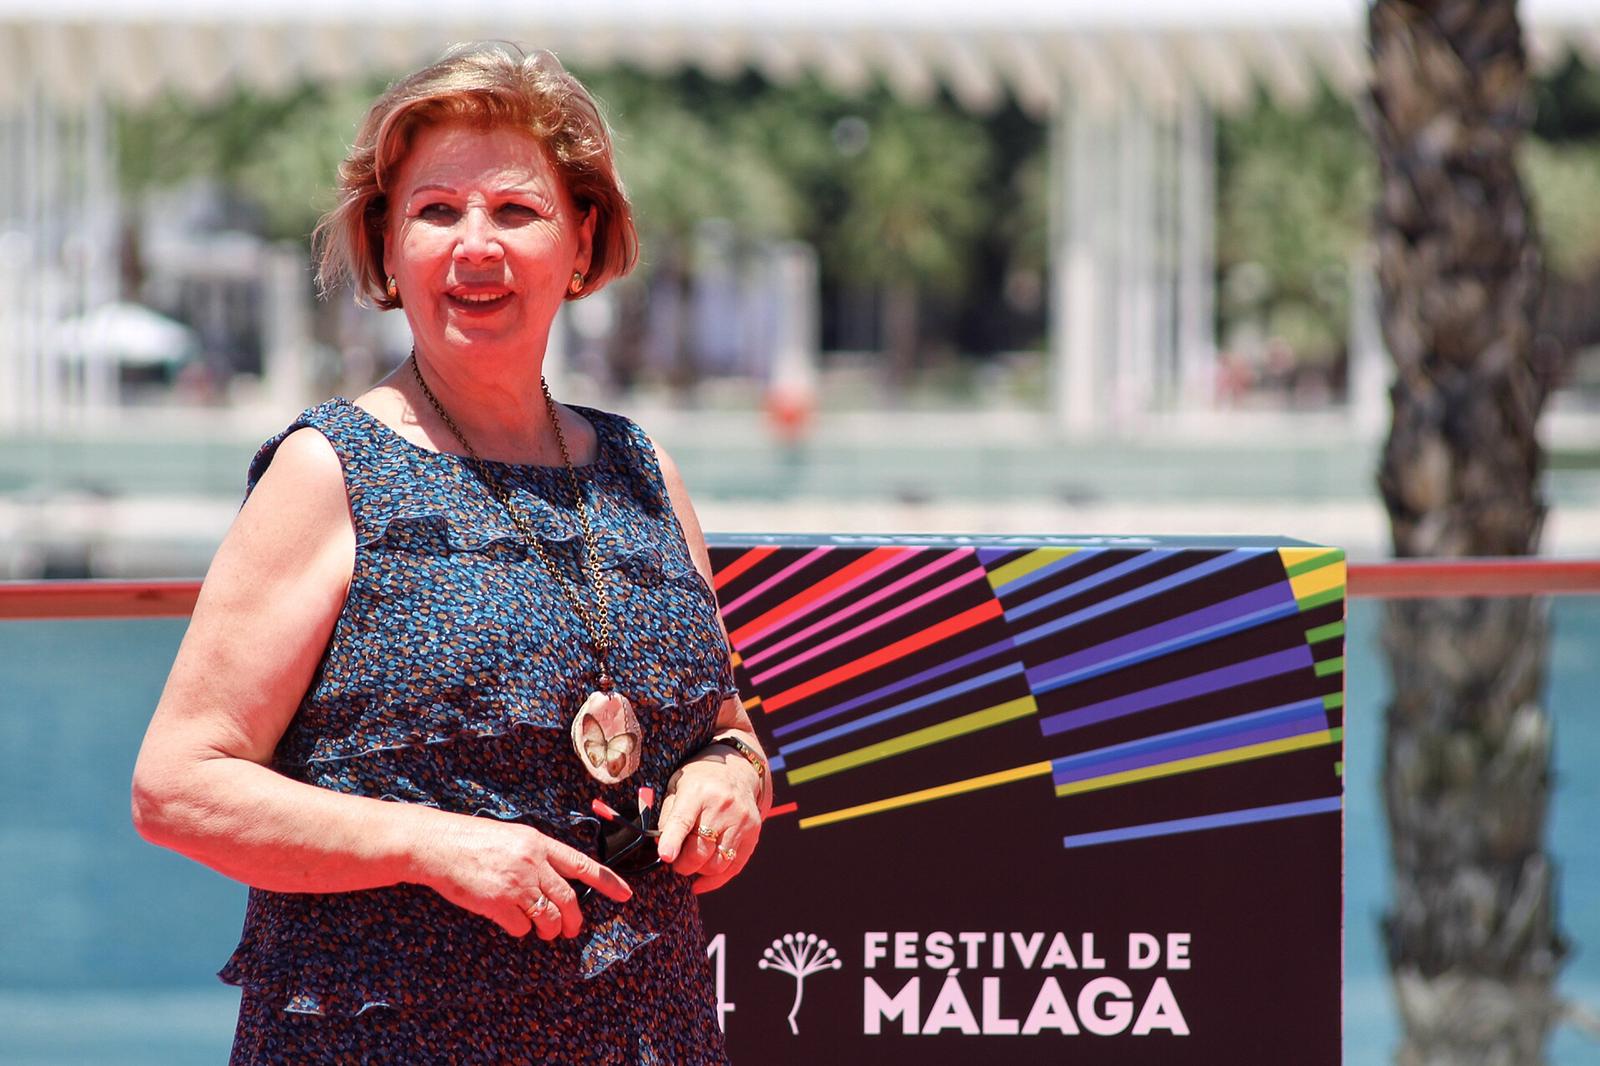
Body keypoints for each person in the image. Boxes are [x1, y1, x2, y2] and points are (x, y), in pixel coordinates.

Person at [131, 43, 770, 1064]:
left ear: (581, 238)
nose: (477, 246)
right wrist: (432, 846)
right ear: (388, 248)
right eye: (437, 212)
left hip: (651, 1033)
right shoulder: (328, 469)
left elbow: (723, 720)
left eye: (516, 212)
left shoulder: (644, 467)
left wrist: (735, 776)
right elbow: (178, 786)